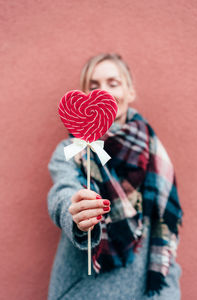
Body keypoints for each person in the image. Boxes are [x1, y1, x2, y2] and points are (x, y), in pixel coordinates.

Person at [47, 53, 183, 300]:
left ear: (130, 92)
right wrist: (75, 210)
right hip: (81, 292)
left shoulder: (154, 155)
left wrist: (166, 294)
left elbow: (164, 234)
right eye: (94, 85)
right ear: (84, 97)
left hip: (140, 293)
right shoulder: (73, 151)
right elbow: (62, 192)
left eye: (113, 83)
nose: (105, 92)